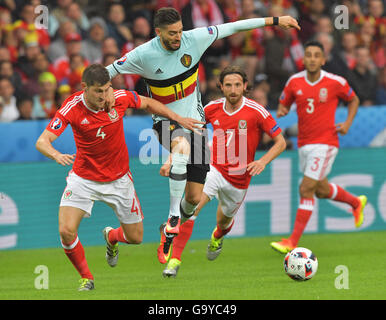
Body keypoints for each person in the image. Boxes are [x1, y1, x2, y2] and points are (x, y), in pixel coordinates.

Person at [105, 7, 300, 269]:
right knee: (181, 146)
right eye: (171, 33)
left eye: (179, 31)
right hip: (166, 122)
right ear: (158, 32)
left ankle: (154, 229)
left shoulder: (194, 39)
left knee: (194, 199)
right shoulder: (143, 54)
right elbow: (105, 72)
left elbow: (234, 27)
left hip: (196, 126)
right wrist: (99, 95)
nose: (177, 37)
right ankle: (173, 218)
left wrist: (275, 21)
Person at [35, 64, 203, 291]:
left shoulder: (119, 98)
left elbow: (147, 102)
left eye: (107, 89)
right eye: (98, 91)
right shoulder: (72, 107)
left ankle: (112, 237)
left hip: (119, 179)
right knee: (66, 231)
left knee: (136, 238)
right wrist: (55, 154)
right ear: (85, 88)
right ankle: (86, 278)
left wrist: (178, 118)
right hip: (83, 179)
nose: (104, 96)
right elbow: (42, 141)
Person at [161, 65, 287, 277]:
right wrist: (172, 157)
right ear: (221, 87)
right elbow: (187, 131)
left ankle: (217, 237)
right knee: (192, 207)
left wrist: (262, 161)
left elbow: (281, 142)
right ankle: (174, 260)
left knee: (223, 222)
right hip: (213, 168)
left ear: (245, 86)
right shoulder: (212, 108)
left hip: (239, 179)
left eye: (238, 85)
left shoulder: (256, 111)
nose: (233, 89)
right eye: (228, 85)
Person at [270, 41, 367, 254]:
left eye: (316, 55)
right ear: (303, 59)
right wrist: (283, 109)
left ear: (323, 60)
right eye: (309, 55)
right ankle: (355, 202)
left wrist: (348, 123)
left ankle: (292, 241)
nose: (312, 59)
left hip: (325, 143)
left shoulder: (335, 82)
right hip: (304, 144)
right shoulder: (294, 81)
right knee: (321, 190)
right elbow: (284, 101)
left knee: (305, 189)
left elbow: (354, 100)